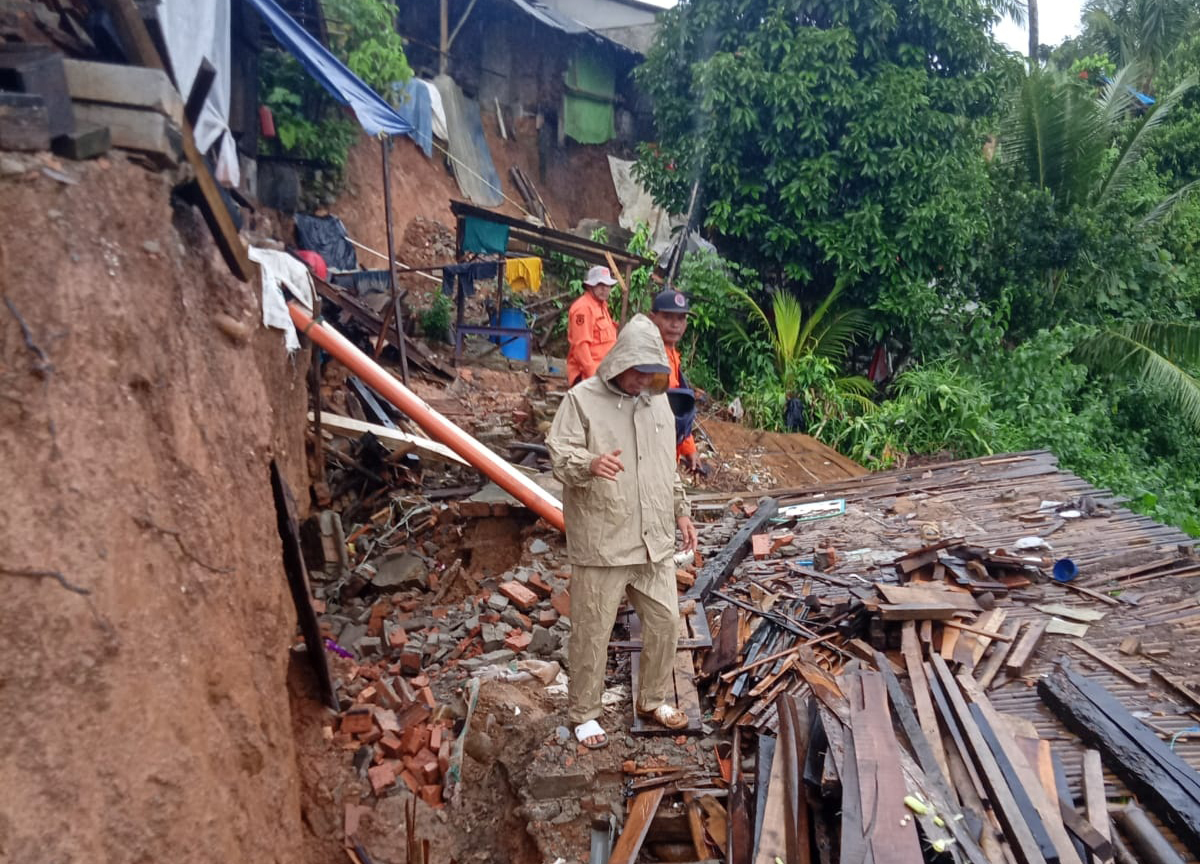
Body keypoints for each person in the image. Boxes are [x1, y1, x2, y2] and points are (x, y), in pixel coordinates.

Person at [546, 314, 699, 749]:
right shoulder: (581, 400)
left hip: (652, 542)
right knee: (592, 631)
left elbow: (667, 468)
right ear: (620, 362)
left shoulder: (657, 404)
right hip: (604, 540)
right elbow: (559, 454)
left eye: (651, 374)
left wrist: (681, 512)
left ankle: (652, 699)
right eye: (638, 373)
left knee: (666, 622)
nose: (643, 382)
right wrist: (590, 464)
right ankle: (584, 714)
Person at [650, 289, 701, 473]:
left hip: (668, 448)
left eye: (681, 318)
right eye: (667, 317)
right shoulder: (648, 356)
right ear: (652, 318)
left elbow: (678, 410)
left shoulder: (672, 354)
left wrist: (689, 448)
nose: (675, 325)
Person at [566, 265, 618, 387]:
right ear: (590, 286)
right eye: (600, 285)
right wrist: (593, 376)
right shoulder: (583, 308)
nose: (605, 289)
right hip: (587, 377)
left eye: (608, 285)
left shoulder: (602, 306)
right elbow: (580, 347)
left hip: (603, 374)